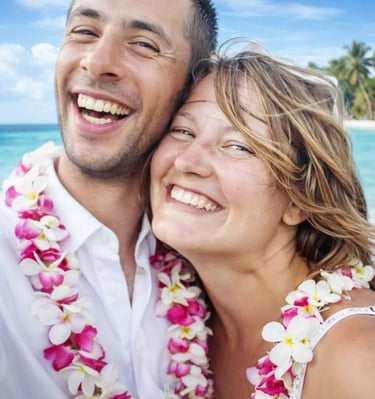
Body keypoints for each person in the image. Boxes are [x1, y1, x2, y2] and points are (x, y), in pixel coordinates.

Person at [0, 1, 217, 398]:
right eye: (84, 31)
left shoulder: (209, 253)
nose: (98, 62)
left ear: (191, 86)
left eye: (144, 44)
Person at [149, 41, 375, 399]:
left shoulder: (357, 360)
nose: (187, 161)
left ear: (301, 200)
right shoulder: (164, 317)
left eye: (237, 146)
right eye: (183, 131)